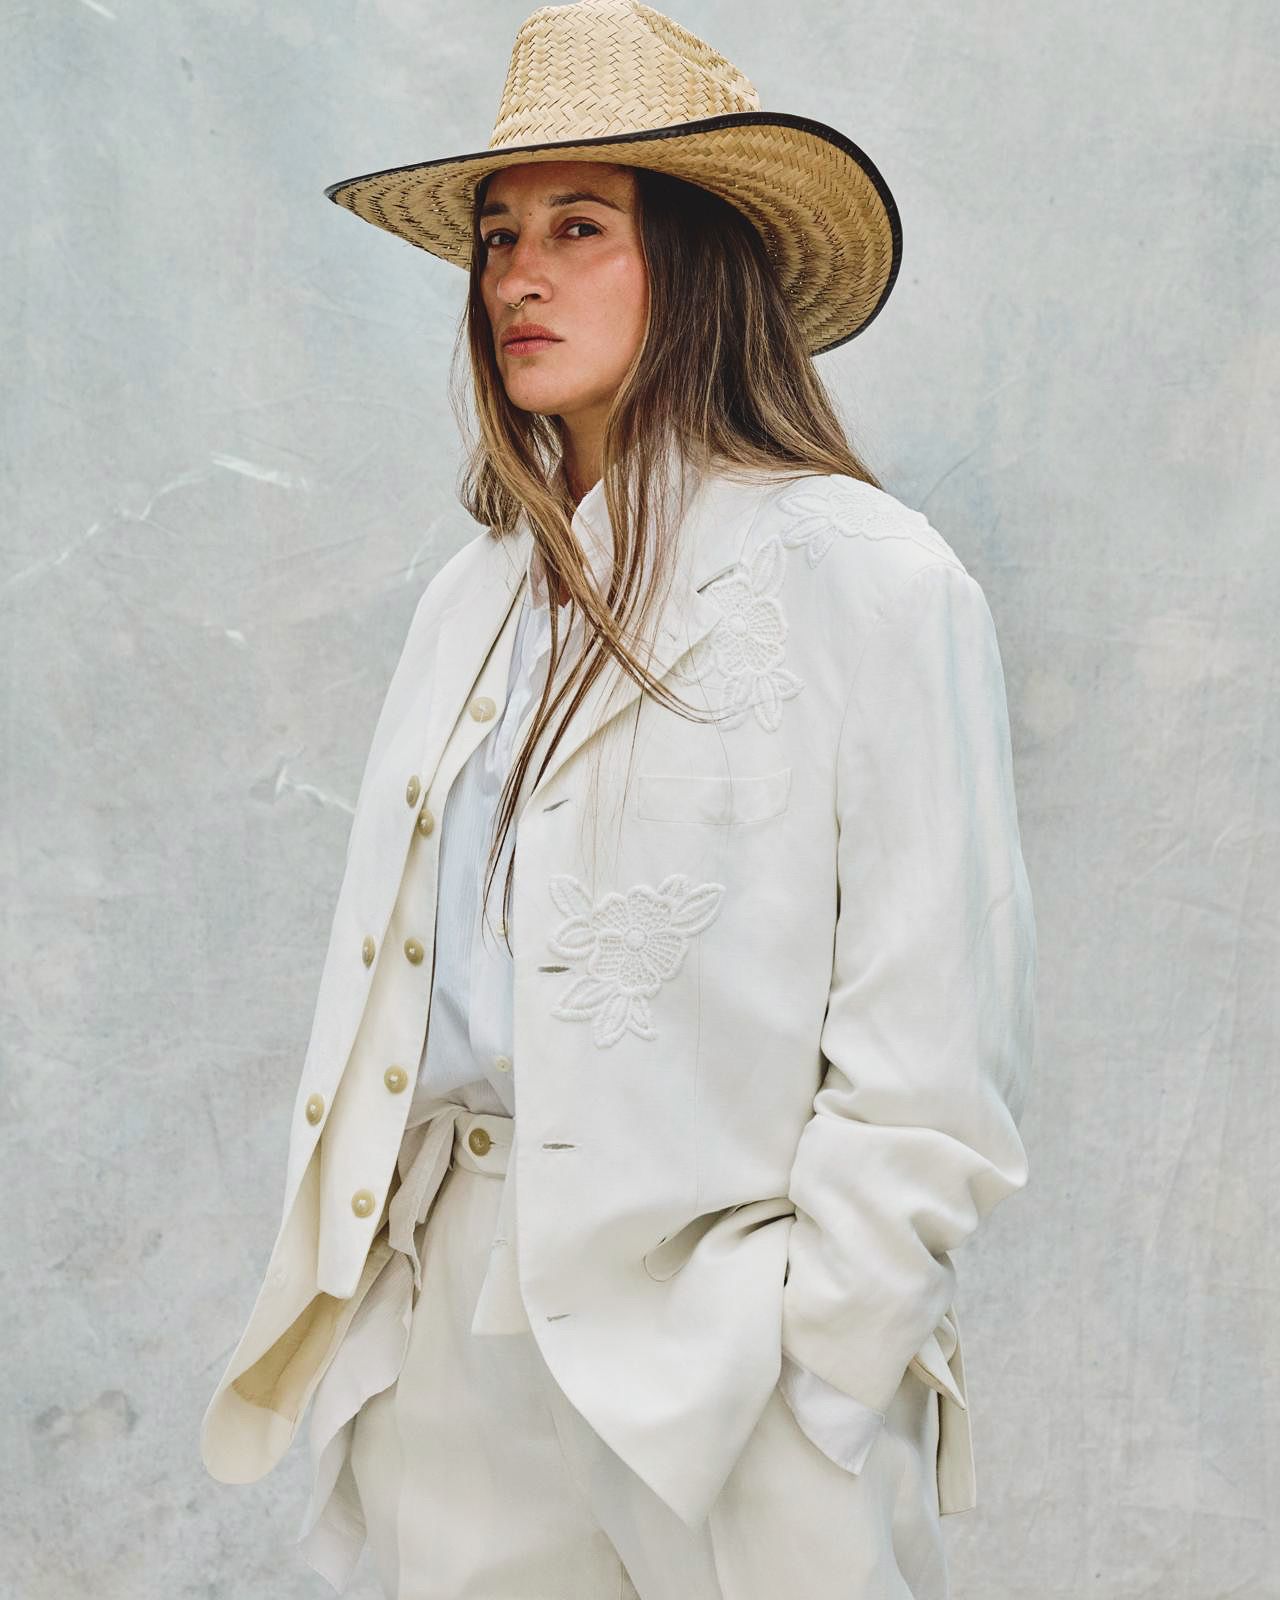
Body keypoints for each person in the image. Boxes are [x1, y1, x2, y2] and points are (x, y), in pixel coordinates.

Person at [200, 3, 1037, 1596]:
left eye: (579, 227)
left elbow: (936, 1046)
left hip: (740, 1365)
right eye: (499, 236)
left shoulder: (872, 578)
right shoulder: (471, 600)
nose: (518, 275)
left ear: (701, 263)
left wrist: (823, 1366)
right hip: (454, 1334)